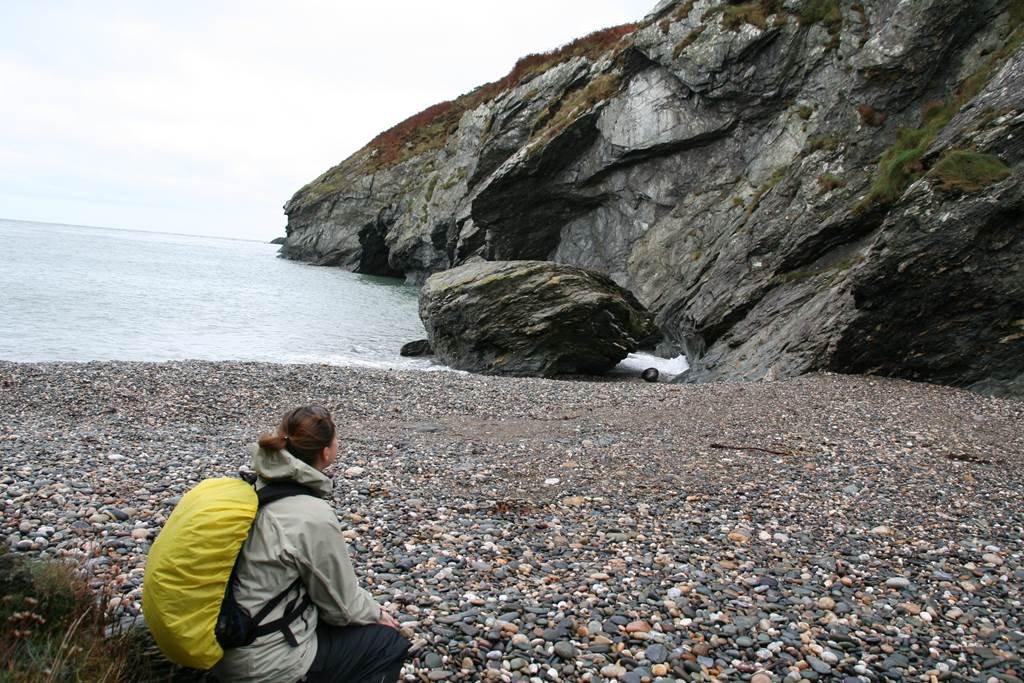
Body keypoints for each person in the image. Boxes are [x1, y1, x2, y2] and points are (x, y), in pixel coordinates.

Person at [214, 405, 410, 683]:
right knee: (387, 644)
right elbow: (341, 605)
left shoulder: (253, 486)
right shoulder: (310, 516)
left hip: (227, 639)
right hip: (264, 664)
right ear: (326, 452)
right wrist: (376, 614)